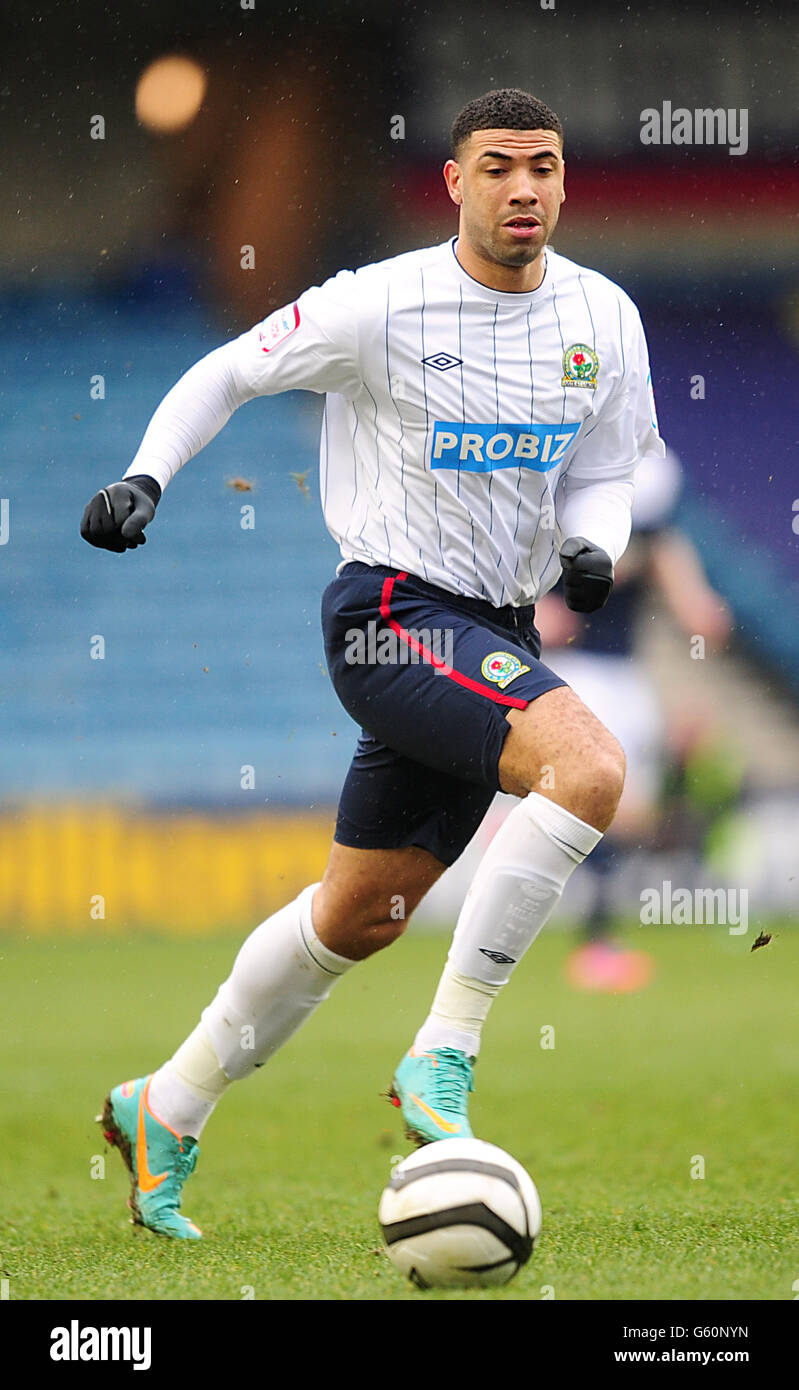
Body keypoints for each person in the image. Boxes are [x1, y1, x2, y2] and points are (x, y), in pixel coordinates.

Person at [81, 87, 664, 1240]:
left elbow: (608, 463)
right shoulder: (381, 303)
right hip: (388, 613)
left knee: (361, 914)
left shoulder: (603, 315)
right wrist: (148, 474)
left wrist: (597, 545)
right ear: (456, 183)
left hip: (492, 629)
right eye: (497, 166)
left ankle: (165, 1104)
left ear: (563, 180)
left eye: (543, 165)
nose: (524, 188)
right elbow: (230, 370)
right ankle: (442, 1053)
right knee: (588, 769)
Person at [529, 449, 733, 991]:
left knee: (621, 814)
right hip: (575, 676)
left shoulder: (656, 540)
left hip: (619, 679)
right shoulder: (561, 532)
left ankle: (596, 937)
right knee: (603, 809)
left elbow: (701, 616)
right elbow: (547, 618)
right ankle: (595, 941)